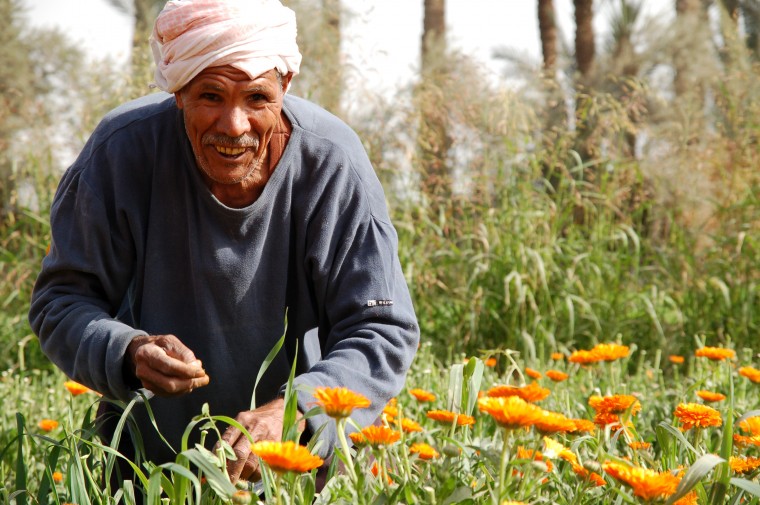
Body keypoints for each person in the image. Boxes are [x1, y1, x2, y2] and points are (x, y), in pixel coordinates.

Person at [28, 0, 419, 487]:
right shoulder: (122, 152)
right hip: (149, 474)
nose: (234, 126)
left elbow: (382, 327)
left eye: (257, 98)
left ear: (285, 88)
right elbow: (61, 301)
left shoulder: (332, 164)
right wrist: (128, 351)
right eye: (210, 96)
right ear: (177, 93)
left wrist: (295, 411)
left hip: (297, 476)